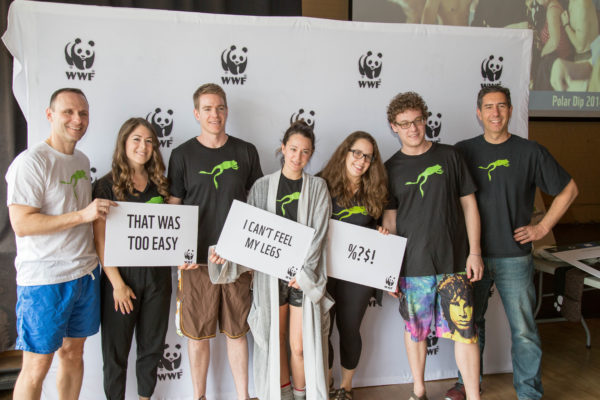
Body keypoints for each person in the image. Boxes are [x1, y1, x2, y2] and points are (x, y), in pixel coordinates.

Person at [445, 85, 578, 400]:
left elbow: (569, 189)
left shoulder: (530, 152)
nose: (495, 112)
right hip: (472, 256)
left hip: (514, 256)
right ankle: (468, 385)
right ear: (479, 113)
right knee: (469, 327)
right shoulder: (462, 151)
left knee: (524, 330)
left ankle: (529, 392)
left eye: (501, 106)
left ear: (510, 110)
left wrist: (542, 227)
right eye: (489, 107)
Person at [6, 88, 116, 400]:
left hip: (83, 275)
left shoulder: (81, 159)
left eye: (83, 113)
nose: (77, 119)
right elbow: (22, 223)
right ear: (50, 115)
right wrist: (82, 215)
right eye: (68, 112)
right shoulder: (31, 163)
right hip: (44, 281)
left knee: (73, 355)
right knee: (36, 366)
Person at [381, 91, 483, 400]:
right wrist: (389, 270)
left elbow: (469, 206)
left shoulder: (450, 156)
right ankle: (419, 391)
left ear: (426, 120)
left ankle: (475, 396)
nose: (413, 128)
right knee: (416, 331)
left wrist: (474, 252)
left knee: (466, 334)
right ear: (393, 127)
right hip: (414, 267)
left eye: (418, 121)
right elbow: (391, 222)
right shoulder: (389, 168)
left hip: (454, 264)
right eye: (405, 123)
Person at [167, 83, 262, 400]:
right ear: (196, 113)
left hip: (236, 259)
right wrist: (180, 251)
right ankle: (199, 396)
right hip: (196, 262)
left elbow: (258, 204)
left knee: (236, 332)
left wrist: (251, 255)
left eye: (220, 107)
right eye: (207, 108)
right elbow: (174, 207)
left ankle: (243, 396)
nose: (214, 114)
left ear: (227, 111)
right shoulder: (181, 155)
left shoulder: (245, 151)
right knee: (197, 336)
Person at [243, 121, 332, 400]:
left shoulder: (317, 187)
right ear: (283, 148)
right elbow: (251, 232)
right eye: (293, 149)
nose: (297, 157)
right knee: (274, 342)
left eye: (305, 152)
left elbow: (319, 234)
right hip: (270, 277)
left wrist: (303, 273)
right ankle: (283, 396)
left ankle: (302, 394)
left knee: (299, 345)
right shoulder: (261, 186)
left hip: (302, 278)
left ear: (311, 154)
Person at [92, 118, 172, 400]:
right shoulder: (106, 185)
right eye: (137, 139)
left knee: (151, 348)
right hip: (121, 280)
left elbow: (175, 229)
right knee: (115, 352)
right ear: (124, 143)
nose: (143, 146)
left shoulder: (162, 185)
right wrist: (116, 283)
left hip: (158, 279)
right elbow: (99, 239)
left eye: (149, 141)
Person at [319, 131, 389, 400]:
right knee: (322, 330)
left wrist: (383, 233)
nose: (361, 160)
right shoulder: (322, 184)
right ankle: (326, 383)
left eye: (368, 156)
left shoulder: (377, 191)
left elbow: (383, 229)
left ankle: (346, 389)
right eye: (357, 153)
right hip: (325, 271)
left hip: (358, 275)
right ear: (345, 152)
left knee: (349, 329)